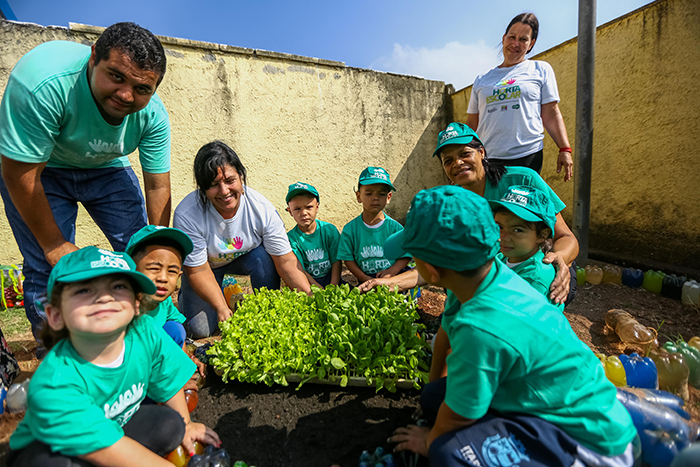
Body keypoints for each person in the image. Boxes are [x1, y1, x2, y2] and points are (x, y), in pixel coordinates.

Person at [385, 186, 638, 466]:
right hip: (549, 402)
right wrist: (429, 404)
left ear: (431, 271)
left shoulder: (480, 327)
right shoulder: (483, 276)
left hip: (587, 441)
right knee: (434, 396)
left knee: (449, 453)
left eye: (413, 257)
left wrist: (428, 440)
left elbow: (460, 415)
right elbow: (445, 337)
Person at [0, 22, 172, 352]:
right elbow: (19, 175)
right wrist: (54, 245)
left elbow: (156, 186)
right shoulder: (44, 84)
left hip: (107, 167)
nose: (126, 95)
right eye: (116, 76)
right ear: (93, 58)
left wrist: (158, 245)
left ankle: (136, 342)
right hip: (40, 168)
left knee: (141, 252)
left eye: (141, 88)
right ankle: (60, 354)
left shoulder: (152, 114)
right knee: (47, 266)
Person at [8, 247, 220, 466]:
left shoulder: (143, 331)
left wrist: (187, 424)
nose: (104, 297)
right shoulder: (55, 382)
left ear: (137, 304)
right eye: (84, 290)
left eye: (118, 287)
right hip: (57, 449)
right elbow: (107, 447)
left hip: (112, 426)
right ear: (55, 315)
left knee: (171, 424)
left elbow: (167, 378)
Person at [360, 122, 578, 306]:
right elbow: (442, 264)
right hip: (497, 269)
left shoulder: (523, 179)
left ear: (481, 152)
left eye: (465, 153)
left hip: (540, 267)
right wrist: (392, 282)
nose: (458, 163)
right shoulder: (455, 204)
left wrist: (559, 259)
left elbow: (566, 238)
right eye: (448, 160)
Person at [173, 141, 311, 338]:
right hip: (206, 268)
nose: (224, 191)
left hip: (248, 258)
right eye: (213, 185)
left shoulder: (261, 209)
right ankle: (224, 296)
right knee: (200, 330)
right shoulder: (188, 215)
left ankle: (265, 304)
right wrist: (221, 308)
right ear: (203, 189)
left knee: (264, 256)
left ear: (241, 176)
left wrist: (309, 296)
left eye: (230, 180)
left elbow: (286, 262)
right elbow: (198, 270)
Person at [465, 13, 573, 180]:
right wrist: (464, 157)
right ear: (503, 38)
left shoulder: (540, 69)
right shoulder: (482, 79)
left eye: (523, 39)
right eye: (512, 37)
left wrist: (564, 149)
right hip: (487, 159)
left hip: (527, 156)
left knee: (520, 206)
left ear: (531, 44)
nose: (515, 43)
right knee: (492, 206)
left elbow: (551, 114)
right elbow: (472, 123)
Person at [490, 185, 564, 311]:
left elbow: (508, 321)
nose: (504, 237)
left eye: (517, 230)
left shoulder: (534, 277)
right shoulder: (502, 257)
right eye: (500, 227)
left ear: (542, 235)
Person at [337, 167, 411, 284]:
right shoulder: (350, 230)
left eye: (381, 194)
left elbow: (406, 254)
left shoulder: (396, 229)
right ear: (358, 196)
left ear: (388, 197)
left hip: (391, 279)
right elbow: (348, 259)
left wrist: (391, 271)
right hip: (365, 280)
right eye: (369, 193)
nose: (375, 198)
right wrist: (363, 278)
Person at [125, 225, 193, 348]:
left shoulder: (165, 301)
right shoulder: (121, 305)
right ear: (131, 270)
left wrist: (187, 360)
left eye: (171, 271)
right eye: (154, 268)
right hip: (125, 357)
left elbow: (176, 325)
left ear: (179, 276)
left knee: (175, 329)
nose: (163, 278)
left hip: (152, 350)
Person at [285, 182, 342, 288]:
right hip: (307, 283)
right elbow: (300, 270)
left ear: (317, 207)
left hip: (332, 278)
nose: (304, 213)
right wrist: (317, 289)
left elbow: (336, 261)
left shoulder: (329, 230)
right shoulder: (290, 239)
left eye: (309, 207)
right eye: (297, 209)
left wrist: (333, 287)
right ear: (290, 211)